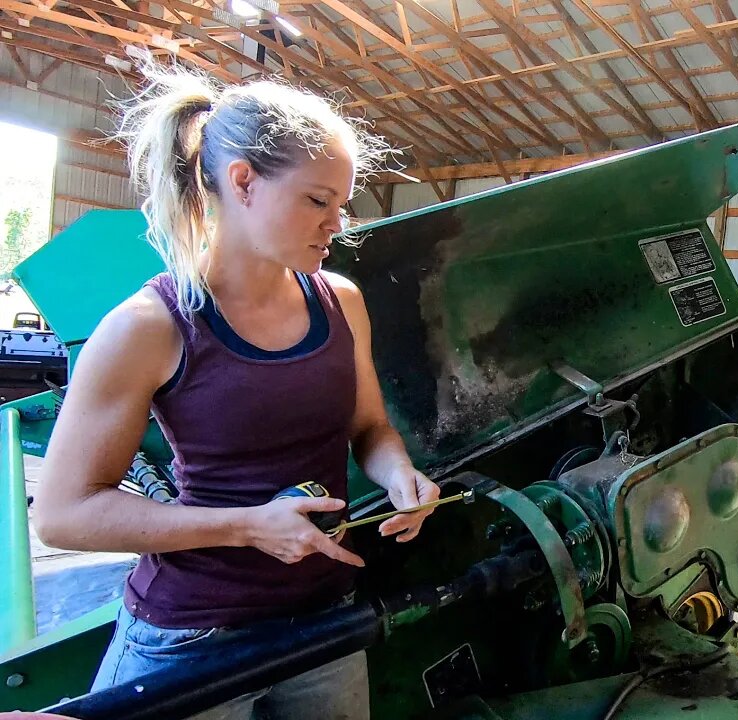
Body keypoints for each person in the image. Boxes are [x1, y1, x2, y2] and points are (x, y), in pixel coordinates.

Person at [32, 63, 439, 719]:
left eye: (341, 203)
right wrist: (249, 527)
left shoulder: (342, 302)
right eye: (316, 201)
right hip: (193, 640)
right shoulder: (150, 327)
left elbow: (369, 428)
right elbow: (63, 514)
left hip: (322, 624)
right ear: (243, 180)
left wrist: (399, 476)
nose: (337, 223)